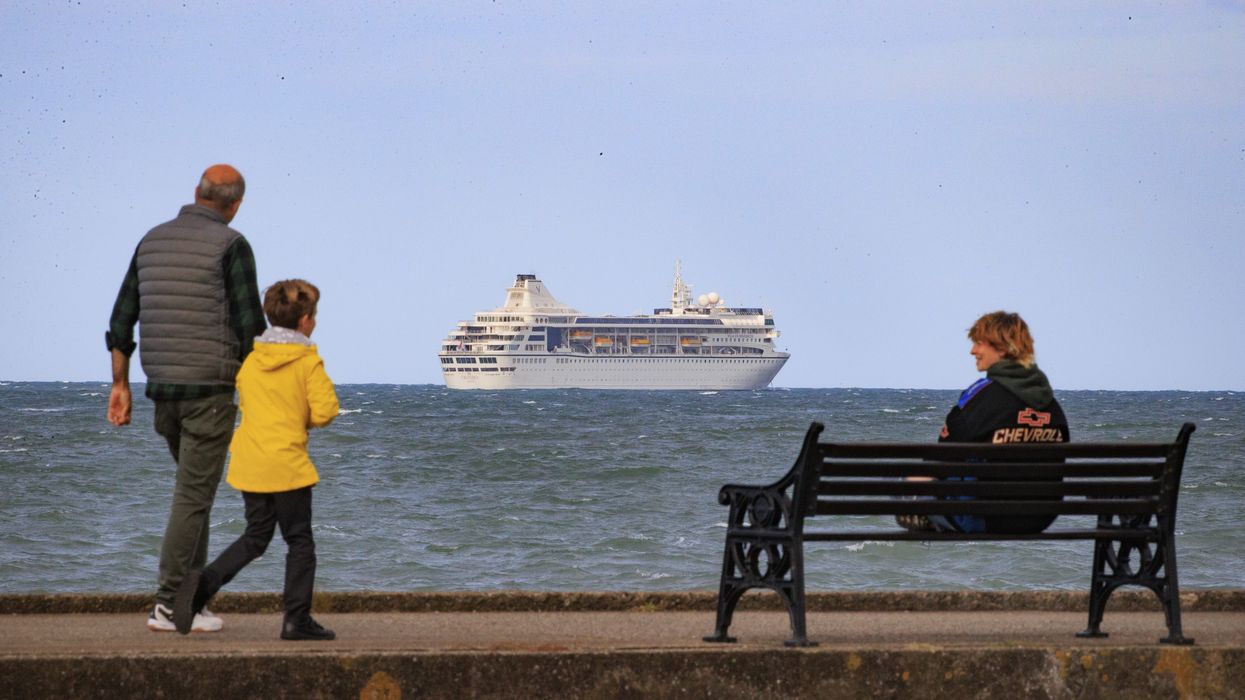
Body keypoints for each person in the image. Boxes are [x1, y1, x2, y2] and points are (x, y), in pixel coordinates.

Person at [107, 164, 265, 633]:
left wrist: (119, 385)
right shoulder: (232, 245)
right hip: (209, 393)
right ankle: (168, 604)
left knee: (195, 497)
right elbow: (250, 327)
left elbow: (121, 320)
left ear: (197, 192)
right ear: (236, 205)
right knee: (193, 497)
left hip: (162, 394)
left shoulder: (151, 241)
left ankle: (191, 603)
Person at [174, 279, 339, 641]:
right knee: (300, 541)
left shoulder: (251, 360)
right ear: (305, 321)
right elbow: (326, 410)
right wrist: (300, 418)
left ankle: (203, 584)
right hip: (286, 464)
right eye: (314, 316)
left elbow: (248, 400)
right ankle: (296, 620)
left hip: (250, 461)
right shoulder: (307, 362)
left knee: (255, 537)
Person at [898, 311, 1070, 534]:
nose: (973, 351)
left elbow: (941, 454)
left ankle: (931, 522)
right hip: (1040, 519)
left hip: (984, 518)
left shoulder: (980, 398)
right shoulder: (1052, 405)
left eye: (979, 343)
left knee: (903, 479)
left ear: (1002, 348)